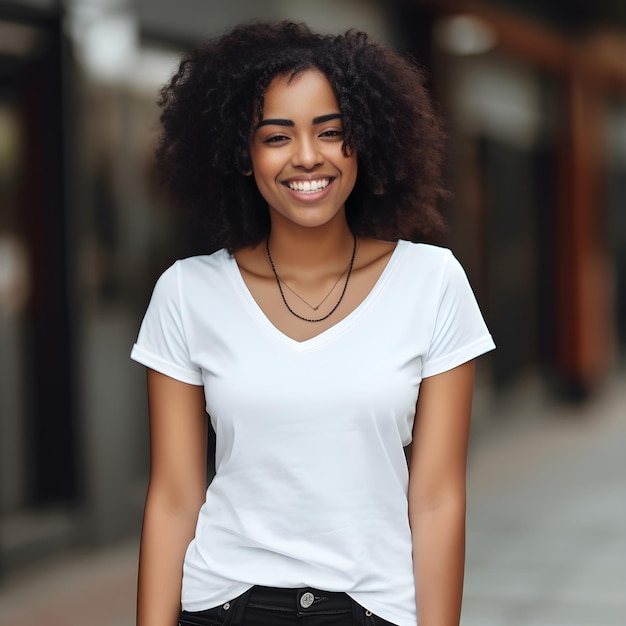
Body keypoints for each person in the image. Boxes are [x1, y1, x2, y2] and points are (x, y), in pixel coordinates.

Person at [131, 21, 495, 626]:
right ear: (241, 156)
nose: (307, 156)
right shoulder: (187, 293)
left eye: (332, 132)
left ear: (367, 143)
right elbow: (173, 498)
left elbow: (436, 500)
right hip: (222, 605)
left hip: (373, 608)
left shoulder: (432, 283)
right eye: (277, 136)